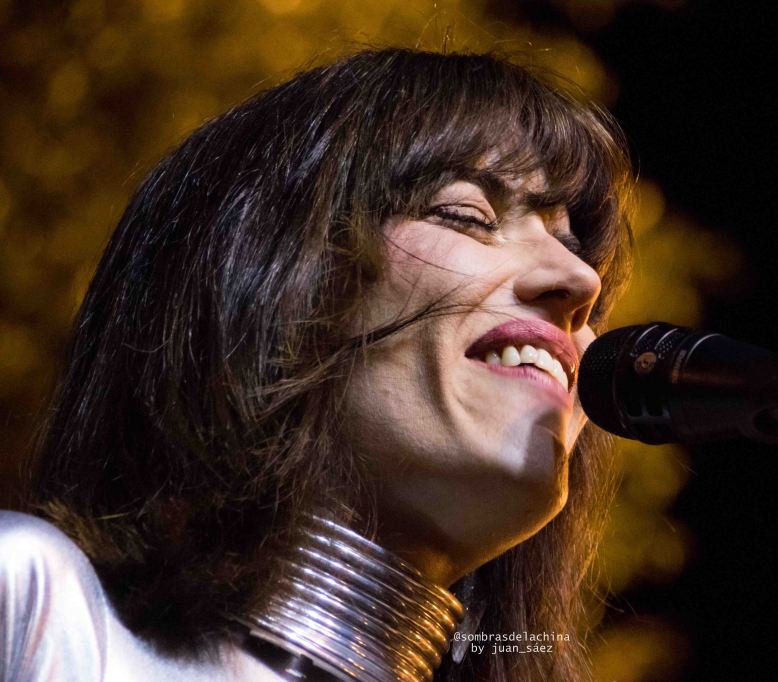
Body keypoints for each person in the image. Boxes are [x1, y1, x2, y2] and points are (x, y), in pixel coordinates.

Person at [2, 48, 633, 681]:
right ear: (268, 281)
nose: (582, 281)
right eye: (464, 215)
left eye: (573, 247)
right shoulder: (31, 602)